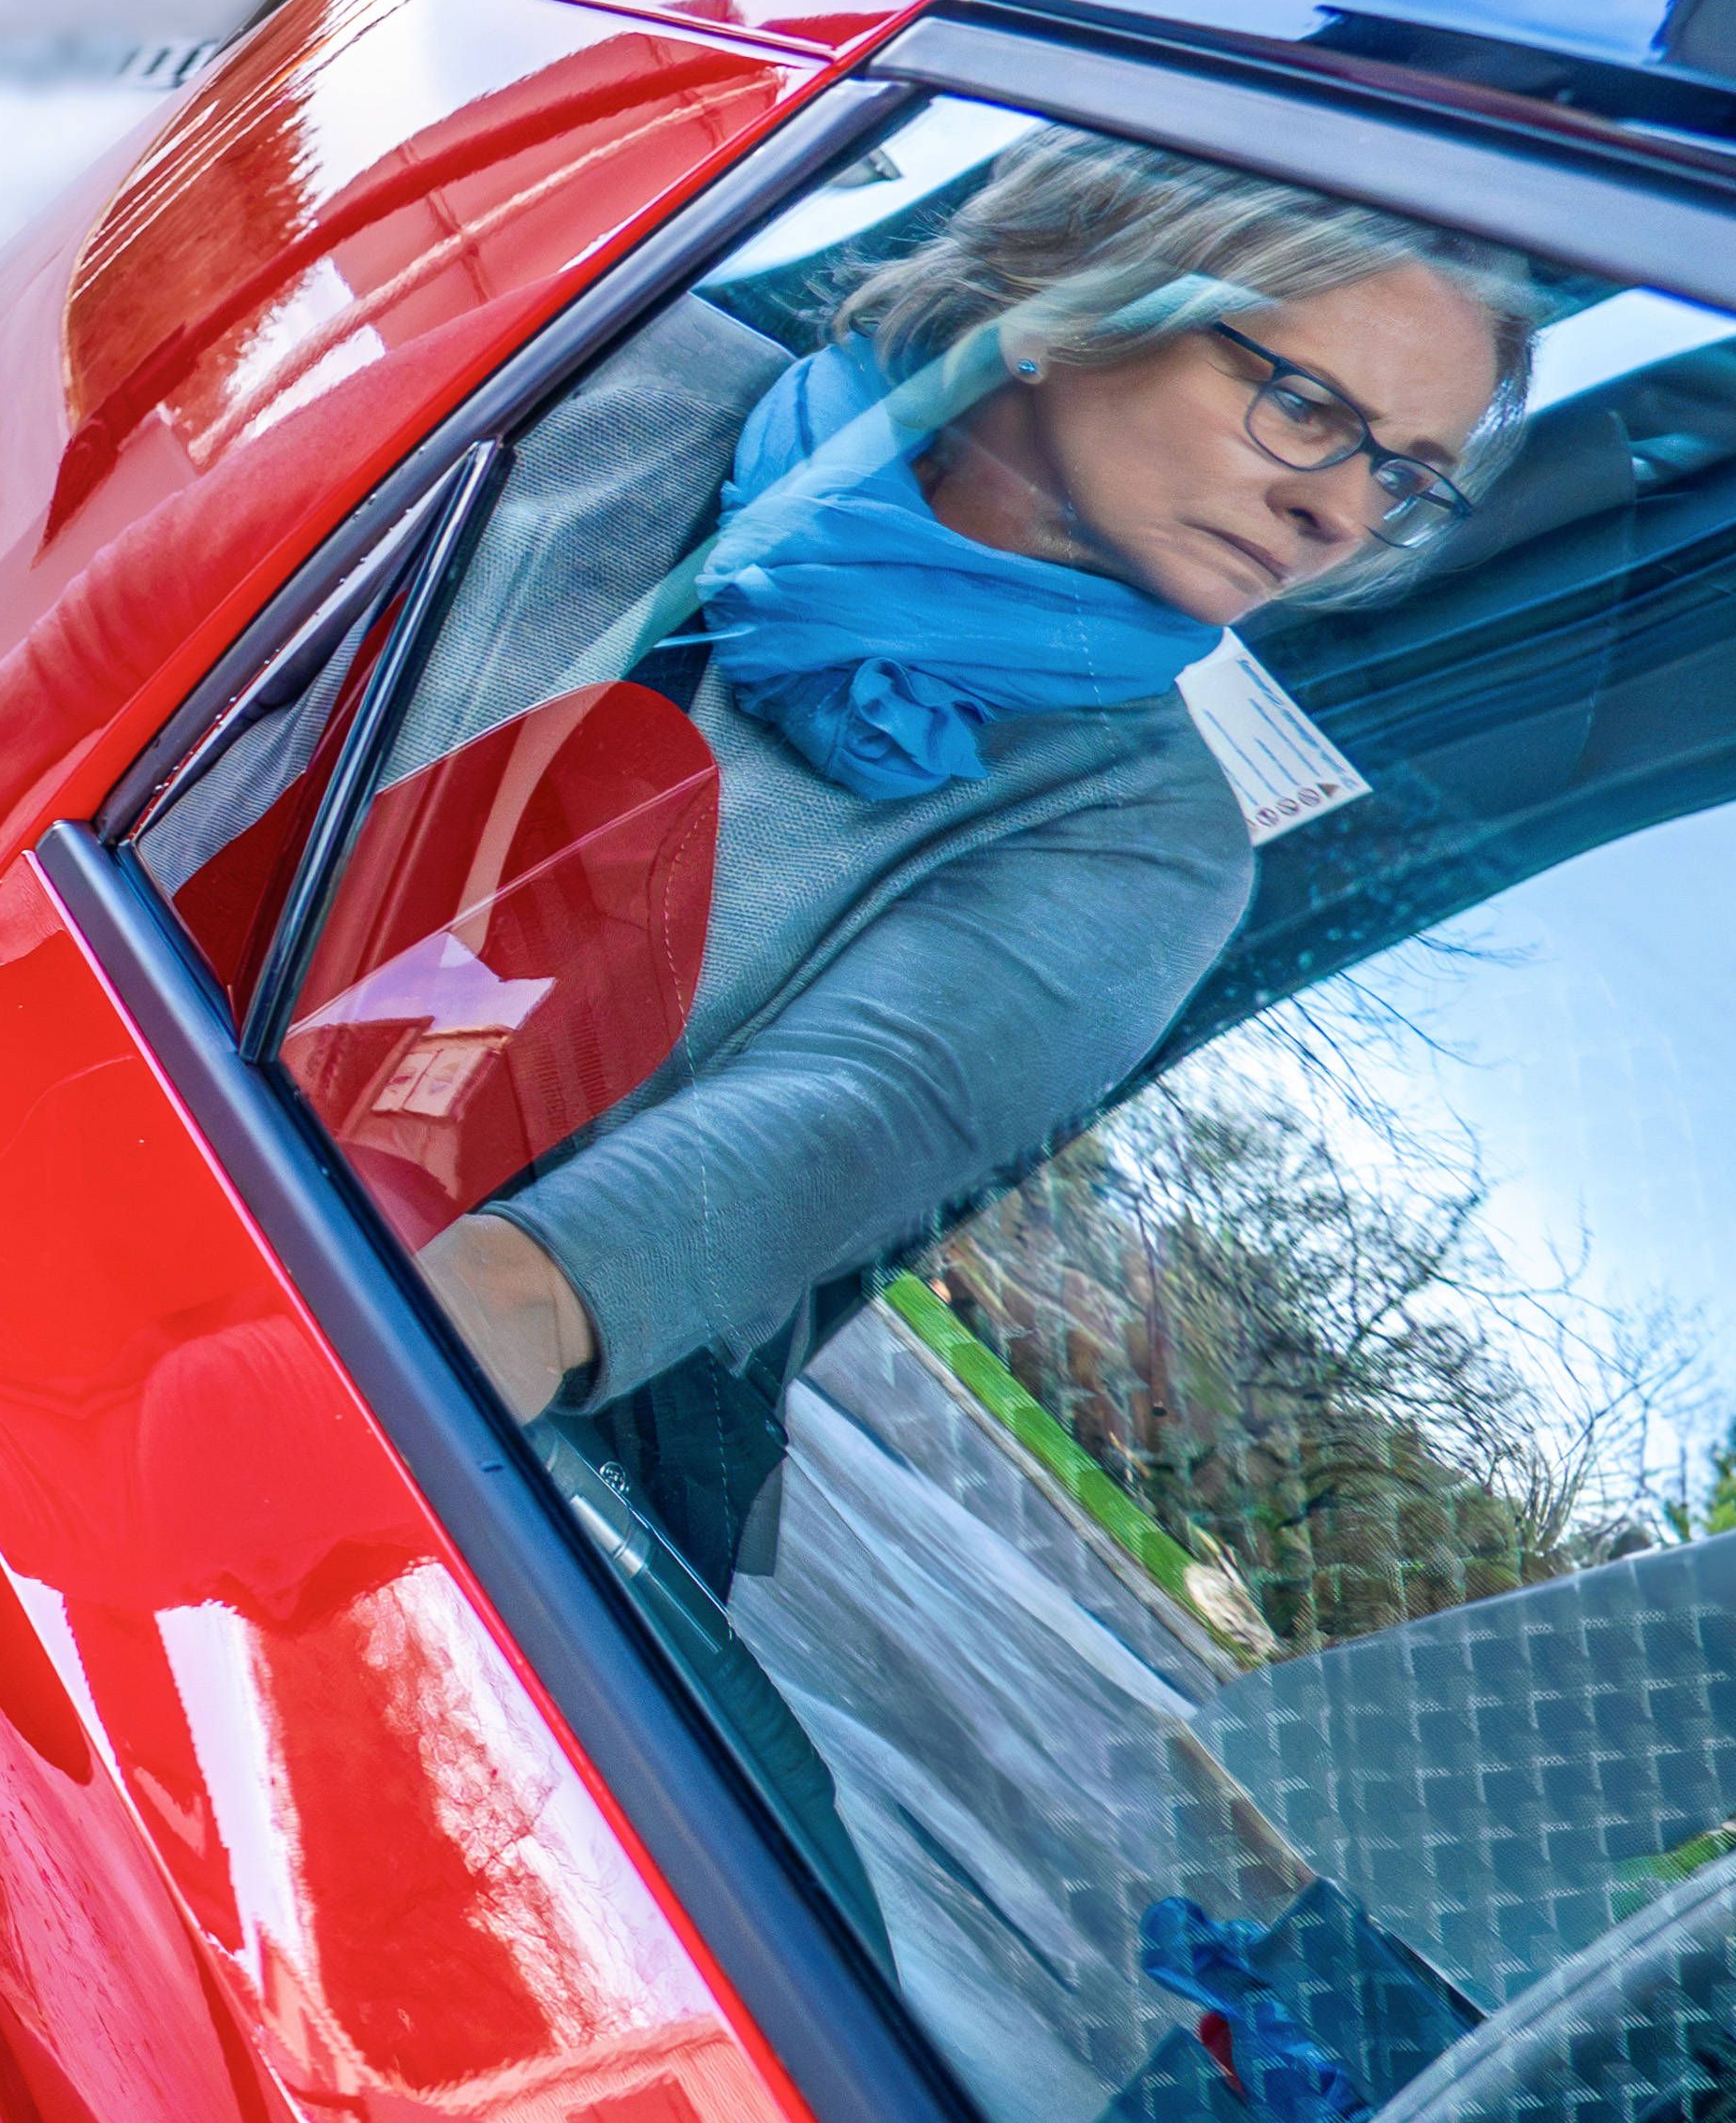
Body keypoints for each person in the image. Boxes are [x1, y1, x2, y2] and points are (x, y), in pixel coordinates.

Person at [391, 134, 1540, 1447]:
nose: (1338, 512)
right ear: (1077, 304)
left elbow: (860, 1107)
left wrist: (517, 1294)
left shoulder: (1143, 832)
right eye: (1307, 407)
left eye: (1402, 475)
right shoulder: (600, 372)